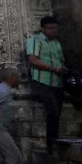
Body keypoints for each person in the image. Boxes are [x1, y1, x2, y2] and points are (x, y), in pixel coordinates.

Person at [27, 16, 66, 154]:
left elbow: (61, 60)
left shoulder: (57, 43)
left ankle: (56, 143)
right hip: (42, 81)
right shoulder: (35, 40)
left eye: (55, 28)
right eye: (50, 28)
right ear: (43, 29)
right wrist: (53, 68)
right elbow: (33, 60)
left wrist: (61, 68)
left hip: (57, 82)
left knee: (57, 113)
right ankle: (52, 145)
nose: (53, 31)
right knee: (53, 111)